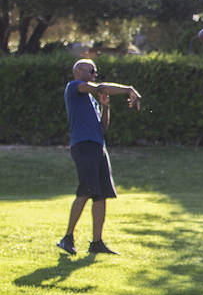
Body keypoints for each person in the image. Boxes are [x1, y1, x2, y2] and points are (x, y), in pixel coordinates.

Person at [56, 58, 142, 256]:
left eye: (95, 72)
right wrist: (129, 89)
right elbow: (100, 87)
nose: (94, 75)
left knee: (101, 195)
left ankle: (97, 242)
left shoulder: (92, 100)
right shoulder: (74, 87)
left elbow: (102, 129)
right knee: (85, 190)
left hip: (98, 146)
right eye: (91, 71)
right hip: (83, 145)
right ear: (78, 71)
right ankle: (67, 238)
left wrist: (105, 107)